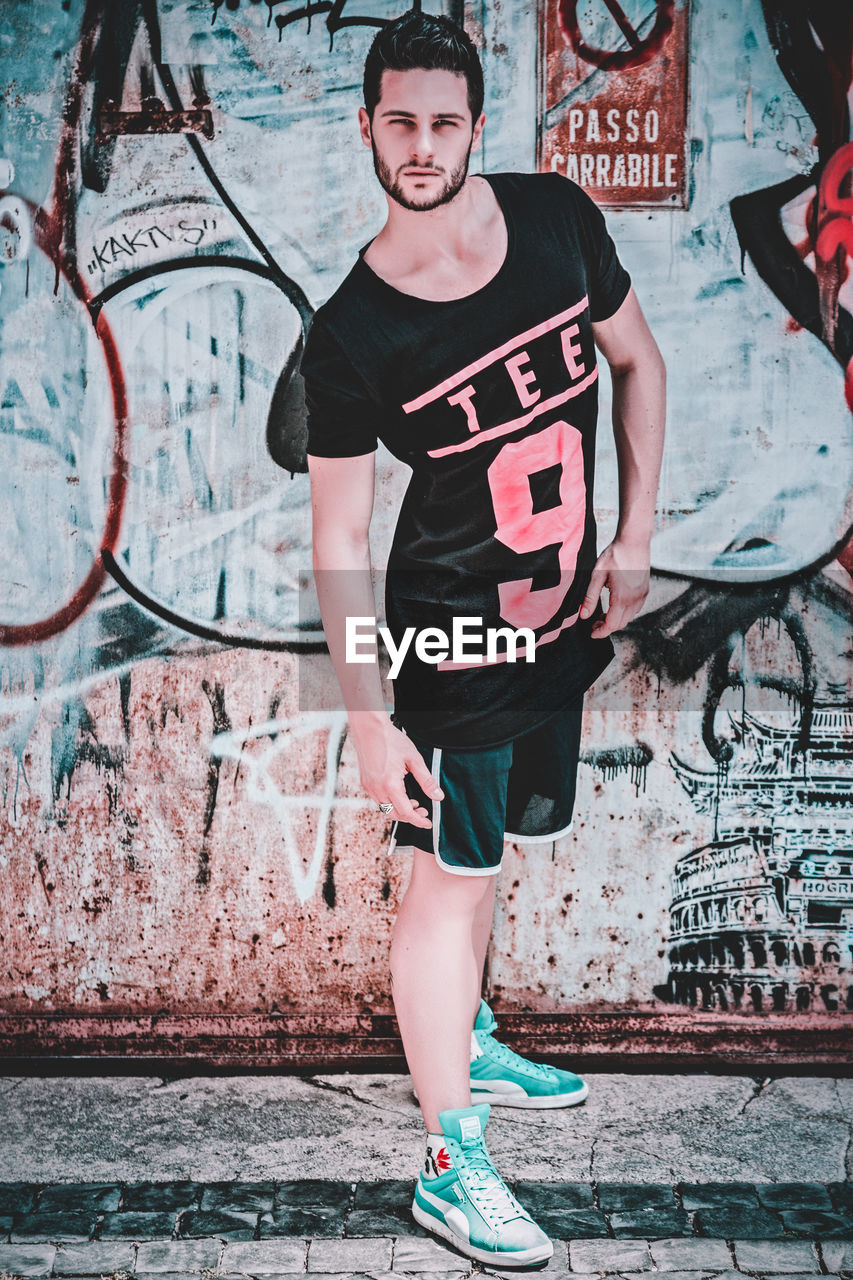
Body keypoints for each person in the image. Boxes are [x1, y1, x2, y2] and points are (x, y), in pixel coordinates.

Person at [301, 8, 666, 1267]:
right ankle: (451, 1159)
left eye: (442, 121)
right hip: (451, 637)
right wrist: (363, 709)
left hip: (560, 611)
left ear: (473, 128)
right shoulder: (351, 330)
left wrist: (634, 535)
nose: (419, 143)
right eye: (396, 119)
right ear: (366, 125)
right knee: (446, 877)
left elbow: (638, 363)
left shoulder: (557, 219)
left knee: (491, 843)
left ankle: (467, 1029)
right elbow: (339, 535)